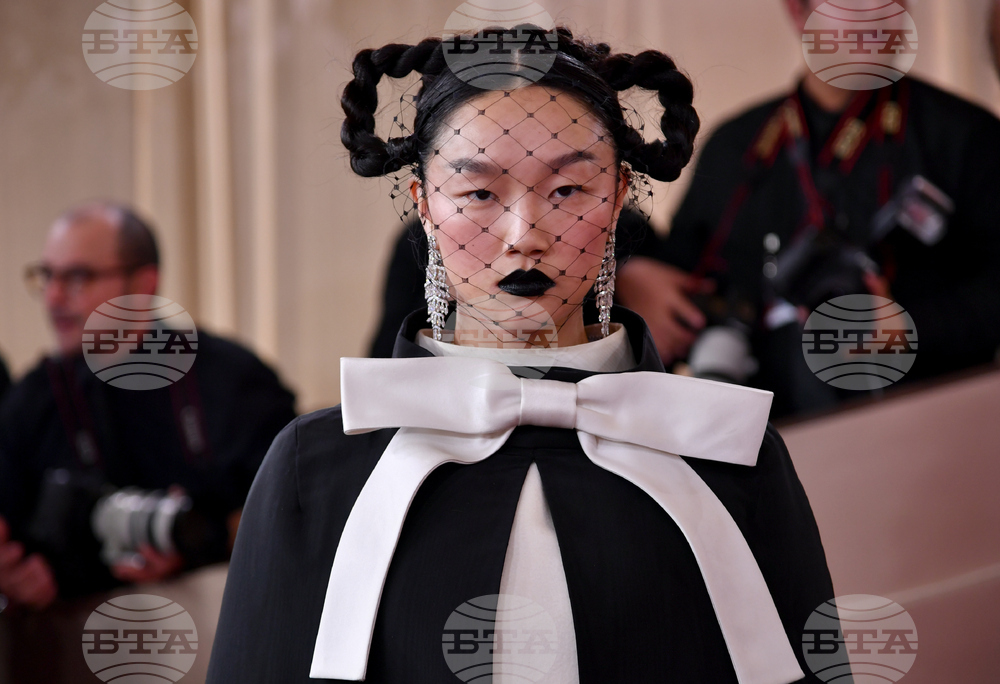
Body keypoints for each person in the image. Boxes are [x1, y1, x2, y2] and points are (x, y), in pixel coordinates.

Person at [208, 27, 837, 684]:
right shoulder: (314, 469)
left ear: (619, 197)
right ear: (423, 204)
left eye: (567, 190)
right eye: (479, 193)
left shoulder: (729, 451)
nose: (524, 235)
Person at [619, 0, 1000, 418]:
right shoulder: (736, 148)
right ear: (798, 11)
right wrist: (630, 272)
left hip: (928, 423)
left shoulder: (966, 136)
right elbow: (680, 276)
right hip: (765, 436)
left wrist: (912, 330)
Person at [0, 202, 297, 611]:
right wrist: (16, 580)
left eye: (78, 277)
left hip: (218, 624)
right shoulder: (30, 404)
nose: (52, 297)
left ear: (143, 283)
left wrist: (199, 545)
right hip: (67, 643)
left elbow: (293, 513)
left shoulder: (231, 380)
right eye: (47, 275)